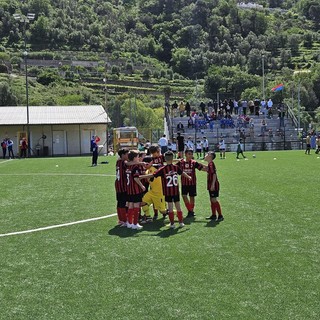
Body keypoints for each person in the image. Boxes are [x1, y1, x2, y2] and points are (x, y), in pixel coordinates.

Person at [140, 151, 192, 229]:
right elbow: (182, 172)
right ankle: (181, 223)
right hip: (175, 190)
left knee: (169, 208)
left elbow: (153, 175)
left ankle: (172, 224)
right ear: (172, 158)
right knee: (178, 206)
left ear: (164, 158)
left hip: (167, 192)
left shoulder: (163, 169)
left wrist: (141, 177)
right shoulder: (175, 167)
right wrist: (188, 177)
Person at [177, 149, 206, 218]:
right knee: (184, 196)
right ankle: (190, 210)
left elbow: (201, 168)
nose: (190, 155)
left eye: (191, 154)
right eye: (189, 154)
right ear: (185, 154)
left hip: (192, 183)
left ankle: (191, 210)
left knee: (192, 197)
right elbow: (174, 168)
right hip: (184, 183)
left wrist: (209, 169)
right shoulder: (180, 163)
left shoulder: (194, 162)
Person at [141, 156, 167, 222]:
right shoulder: (146, 171)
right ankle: (148, 217)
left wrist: (156, 165)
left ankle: (177, 213)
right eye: (144, 164)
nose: (145, 165)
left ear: (151, 162)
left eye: (147, 164)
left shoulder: (156, 168)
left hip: (159, 193)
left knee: (163, 211)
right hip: (152, 192)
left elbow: (163, 166)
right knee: (143, 202)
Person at [125, 150, 146, 230]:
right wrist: (142, 186)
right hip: (135, 190)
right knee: (136, 206)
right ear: (134, 158)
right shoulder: (135, 167)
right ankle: (135, 223)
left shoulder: (128, 166)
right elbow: (136, 178)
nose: (138, 158)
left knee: (130, 206)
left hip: (129, 189)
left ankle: (129, 222)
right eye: (137, 157)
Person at [205, 151, 224, 222]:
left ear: (210, 156)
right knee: (211, 200)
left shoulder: (211, 164)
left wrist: (212, 185)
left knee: (214, 200)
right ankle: (213, 215)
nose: (205, 155)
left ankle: (220, 215)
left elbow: (214, 174)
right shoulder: (210, 164)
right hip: (211, 185)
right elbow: (206, 169)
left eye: (207, 154)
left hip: (214, 185)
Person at [115, 148, 129, 225]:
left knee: (120, 202)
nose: (128, 155)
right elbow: (128, 164)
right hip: (122, 185)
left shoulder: (118, 161)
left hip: (118, 184)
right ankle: (124, 220)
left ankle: (121, 219)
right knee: (123, 203)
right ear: (123, 155)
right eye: (127, 154)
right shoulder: (123, 162)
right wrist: (140, 163)